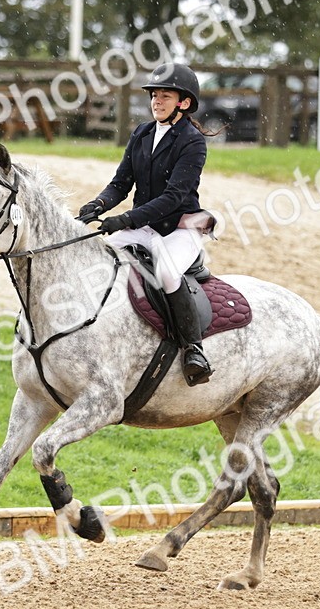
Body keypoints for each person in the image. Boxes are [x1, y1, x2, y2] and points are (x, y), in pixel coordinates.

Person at [79, 62, 220, 386]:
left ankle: (192, 348)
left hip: (178, 228)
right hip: (142, 226)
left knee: (168, 273)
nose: (157, 101)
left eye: (165, 96)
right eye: (155, 95)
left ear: (183, 103)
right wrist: (98, 204)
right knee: (100, 258)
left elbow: (173, 197)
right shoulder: (141, 133)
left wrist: (126, 218)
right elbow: (121, 183)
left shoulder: (192, 141)